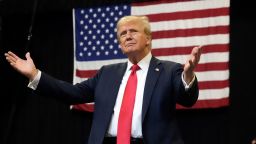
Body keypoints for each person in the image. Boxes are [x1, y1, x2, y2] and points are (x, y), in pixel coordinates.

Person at [5, 15, 202, 144]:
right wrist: (34, 74)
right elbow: (72, 93)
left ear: (148, 38)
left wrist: (188, 75)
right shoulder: (107, 73)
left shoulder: (169, 70)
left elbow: (187, 98)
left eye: (133, 31)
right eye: (122, 34)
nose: (127, 36)